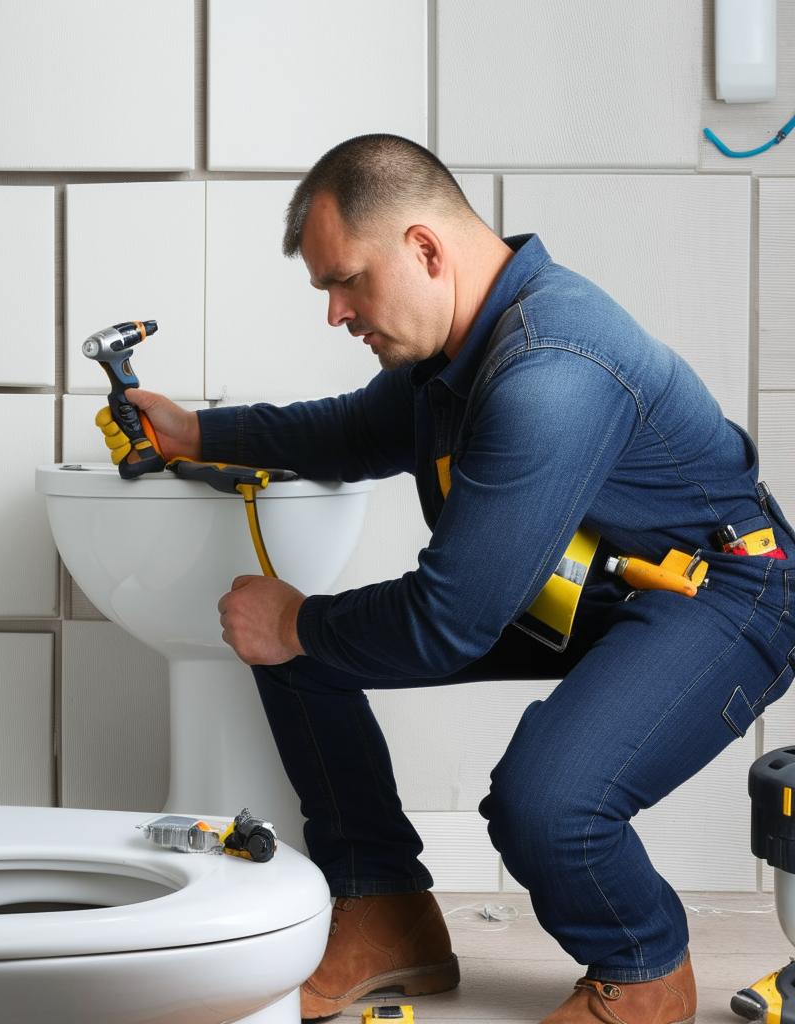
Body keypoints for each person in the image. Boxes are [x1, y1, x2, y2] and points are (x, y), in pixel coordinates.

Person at [96, 134, 795, 1023]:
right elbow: (353, 432)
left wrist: (299, 621)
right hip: (594, 580)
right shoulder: (457, 349)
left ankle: (643, 966)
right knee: (295, 646)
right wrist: (199, 432)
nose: (336, 313)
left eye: (345, 280)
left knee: (546, 804)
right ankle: (387, 911)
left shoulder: (552, 369)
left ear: (424, 249)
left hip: (723, 592)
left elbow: (450, 619)